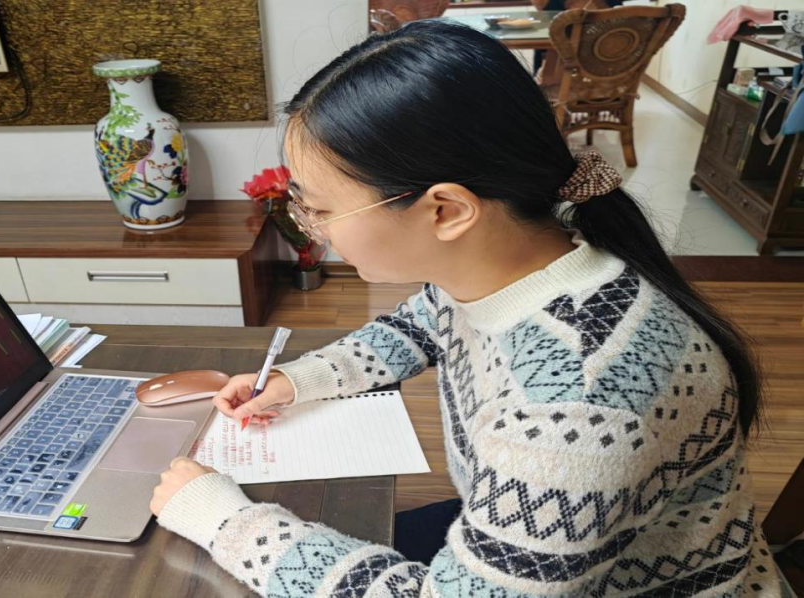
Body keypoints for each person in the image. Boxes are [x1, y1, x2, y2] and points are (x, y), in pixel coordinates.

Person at [150, 20, 788, 597]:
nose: (310, 226)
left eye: (318, 207)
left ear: (447, 210)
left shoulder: (575, 412)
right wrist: (299, 380)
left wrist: (227, 522)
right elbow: (421, 324)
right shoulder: (526, 258)